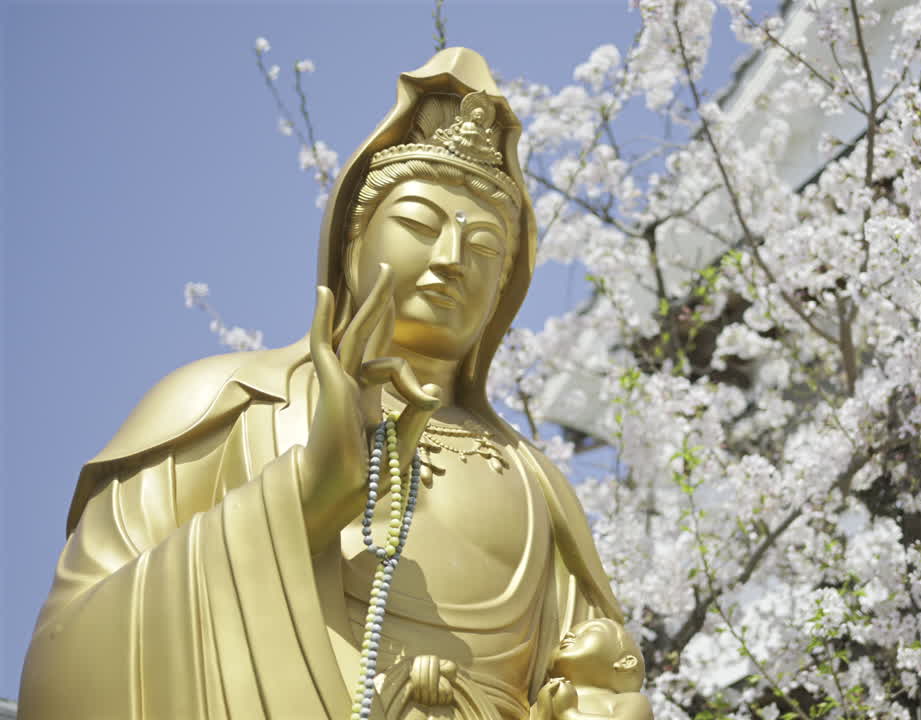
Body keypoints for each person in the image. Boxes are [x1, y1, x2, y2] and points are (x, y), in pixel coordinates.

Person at [18, 48, 647, 720]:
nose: (449, 261)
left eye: (486, 247)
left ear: (505, 290)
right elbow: (64, 660)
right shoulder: (230, 406)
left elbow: (599, 677)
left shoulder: (537, 489)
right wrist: (298, 501)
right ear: (354, 239)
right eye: (416, 225)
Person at [531, 619, 653, 720]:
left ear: (626, 662)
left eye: (591, 630)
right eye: (565, 636)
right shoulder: (543, 700)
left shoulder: (631, 700)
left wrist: (568, 714)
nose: (569, 635)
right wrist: (544, 712)